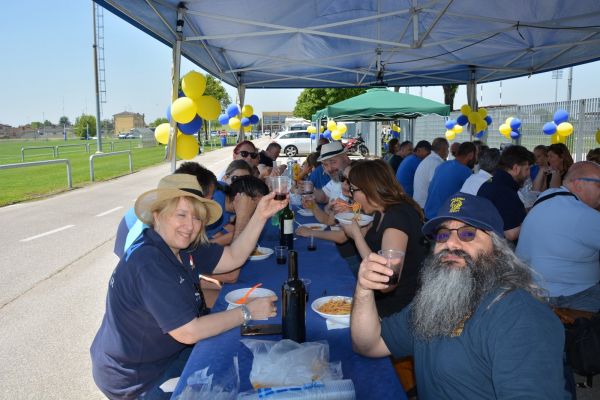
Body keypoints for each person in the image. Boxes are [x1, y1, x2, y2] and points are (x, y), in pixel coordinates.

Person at [351, 192, 569, 399]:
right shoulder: (435, 301)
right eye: (443, 234)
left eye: (467, 233)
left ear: (498, 247)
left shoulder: (520, 317)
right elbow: (369, 345)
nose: (451, 244)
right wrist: (363, 290)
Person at [91, 174, 285, 400]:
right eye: (181, 215)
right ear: (157, 215)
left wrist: (260, 215)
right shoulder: (149, 262)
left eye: (197, 218)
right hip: (137, 378)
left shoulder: (182, 245)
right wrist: (247, 312)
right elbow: (188, 331)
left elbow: (233, 257)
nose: (190, 226)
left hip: (165, 354)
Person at [341, 159, 427, 317]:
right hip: (380, 299)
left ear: (368, 189)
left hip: (396, 310)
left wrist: (356, 236)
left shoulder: (396, 220)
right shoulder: (382, 211)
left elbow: (387, 282)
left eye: (353, 190)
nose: (352, 197)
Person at [516, 161, 600, 312]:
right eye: (599, 185)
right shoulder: (582, 215)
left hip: (530, 290)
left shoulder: (548, 196)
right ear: (579, 184)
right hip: (566, 297)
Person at [114, 162, 218, 259]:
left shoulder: (173, 221)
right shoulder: (148, 241)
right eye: (210, 197)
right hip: (127, 230)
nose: (190, 226)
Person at [477, 145, 534, 242]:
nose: (528, 174)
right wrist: (534, 218)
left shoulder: (492, 182)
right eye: (527, 169)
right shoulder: (505, 191)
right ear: (516, 168)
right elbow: (511, 234)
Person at [206, 176, 269, 246]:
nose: (258, 210)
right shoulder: (214, 203)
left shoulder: (226, 194)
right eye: (256, 205)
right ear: (242, 198)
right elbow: (198, 248)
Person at [424, 142, 475, 220]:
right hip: (442, 218)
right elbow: (472, 197)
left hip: (427, 213)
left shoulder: (443, 165)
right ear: (471, 155)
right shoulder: (466, 172)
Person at [413, 137, 449, 208]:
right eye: (447, 149)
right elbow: (437, 187)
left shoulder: (430, 159)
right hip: (424, 207)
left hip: (420, 204)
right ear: (442, 149)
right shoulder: (435, 163)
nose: (448, 152)